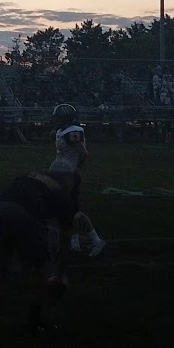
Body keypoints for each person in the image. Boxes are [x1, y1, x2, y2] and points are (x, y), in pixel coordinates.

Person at [0, 172, 73, 334]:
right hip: (25, 211)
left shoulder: (32, 177)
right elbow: (65, 236)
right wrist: (60, 273)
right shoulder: (61, 194)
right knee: (42, 267)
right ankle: (34, 321)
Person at [47, 103, 105, 256]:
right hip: (60, 174)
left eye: (58, 118)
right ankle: (74, 244)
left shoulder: (73, 132)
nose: (55, 120)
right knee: (65, 211)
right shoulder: (62, 131)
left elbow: (84, 153)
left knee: (73, 212)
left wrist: (76, 168)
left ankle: (96, 241)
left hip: (68, 174)